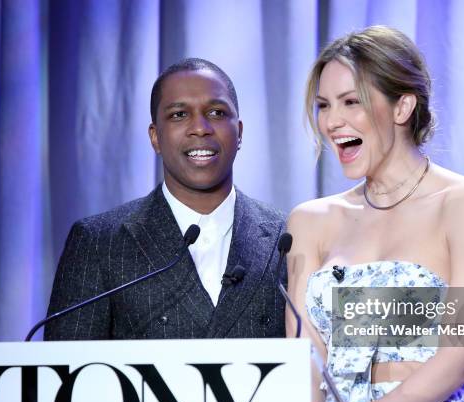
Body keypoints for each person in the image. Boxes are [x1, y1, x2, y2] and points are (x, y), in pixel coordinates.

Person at [286, 26, 464, 402]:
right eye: (324, 106)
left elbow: (458, 358)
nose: (331, 122)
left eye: (352, 102)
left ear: (403, 106)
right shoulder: (310, 221)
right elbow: (303, 357)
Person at [45, 58, 286, 340]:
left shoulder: (286, 237)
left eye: (217, 112)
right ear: (155, 137)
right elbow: (65, 375)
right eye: (179, 115)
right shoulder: (99, 243)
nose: (200, 128)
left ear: (240, 133)